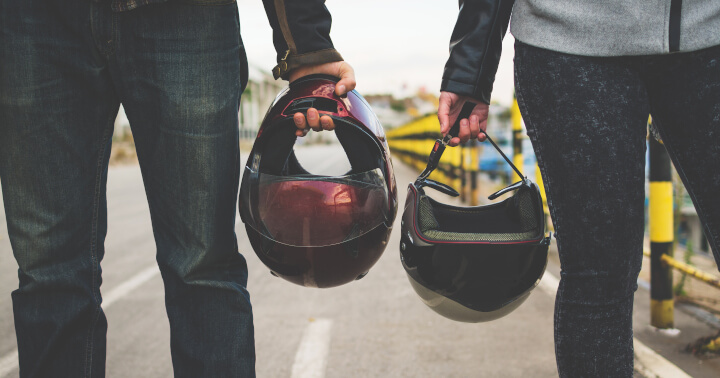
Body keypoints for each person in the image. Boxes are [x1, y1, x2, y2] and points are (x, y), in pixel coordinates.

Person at [0, 0, 353, 376]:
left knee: (202, 267)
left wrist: (306, 43)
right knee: (48, 278)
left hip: (186, 14)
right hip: (31, 17)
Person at [437, 0, 720, 376]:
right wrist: (470, 67)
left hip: (709, 31)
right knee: (600, 277)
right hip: (569, 37)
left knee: (600, 279)